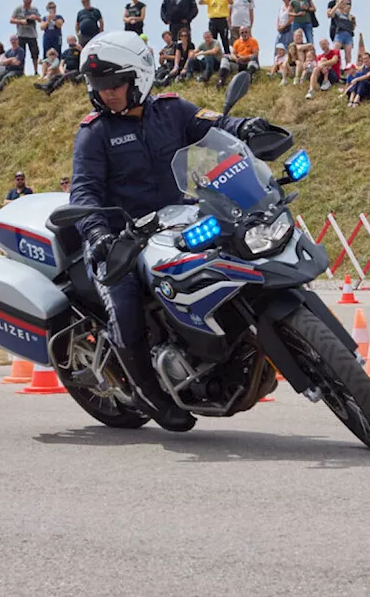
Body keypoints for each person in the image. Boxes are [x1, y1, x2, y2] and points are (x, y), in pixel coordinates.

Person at [69, 30, 272, 431]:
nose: (105, 93)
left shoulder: (171, 109)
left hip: (179, 220)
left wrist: (246, 127)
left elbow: (216, 127)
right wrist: (97, 235)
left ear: (139, 76)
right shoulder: (95, 133)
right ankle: (148, 392)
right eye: (98, 85)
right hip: (121, 240)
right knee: (123, 305)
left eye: (114, 84)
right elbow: (84, 192)